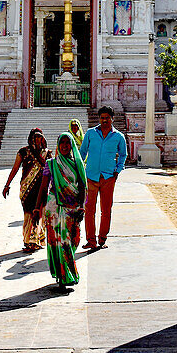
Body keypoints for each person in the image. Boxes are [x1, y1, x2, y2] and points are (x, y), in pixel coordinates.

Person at [32, 131, 87, 289]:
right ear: (57, 144)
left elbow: (82, 186)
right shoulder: (51, 164)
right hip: (54, 208)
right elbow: (43, 188)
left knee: (73, 240)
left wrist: (81, 206)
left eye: (67, 143)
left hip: (73, 208)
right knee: (59, 242)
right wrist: (37, 208)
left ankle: (64, 273)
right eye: (61, 142)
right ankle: (64, 277)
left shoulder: (78, 164)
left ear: (71, 145)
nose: (64, 146)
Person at [79, 105, 127, 250]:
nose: (104, 120)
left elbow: (123, 155)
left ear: (112, 119)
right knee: (89, 210)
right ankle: (90, 240)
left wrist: (117, 170)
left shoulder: (118, 136)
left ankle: (102, 239)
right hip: (91, 177)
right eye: (102, 118)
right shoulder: (90, 133)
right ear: (99, 118)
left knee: (106, 210)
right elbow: (82, 152)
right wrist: (80, 170)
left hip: (108, 178)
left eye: (107, 118)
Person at [2, 127, 48, 250]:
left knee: (38, 213)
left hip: (41, 188)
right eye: (35, 137)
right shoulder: (23, 152)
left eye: (39, 137)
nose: (37, 139)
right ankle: (28, 240)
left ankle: (34, 241)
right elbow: (15, 168)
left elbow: (52, 172)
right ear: (30, 138)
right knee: (28, 213)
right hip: (26, 188)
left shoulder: (47, 154)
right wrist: (7, 185)